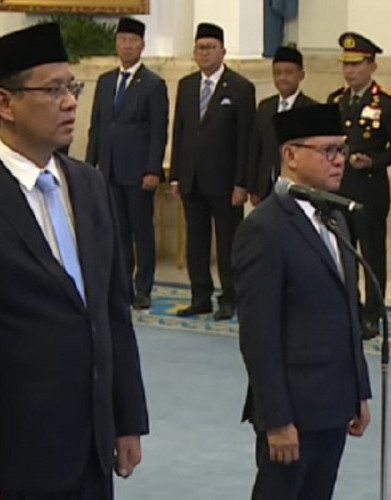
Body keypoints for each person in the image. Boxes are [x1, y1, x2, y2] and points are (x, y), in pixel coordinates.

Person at [0, 23, 148, 499]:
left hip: (92, 446)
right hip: (16, 450)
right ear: (5, 104)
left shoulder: (88, 185)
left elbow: (111, 309)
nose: (69, 103)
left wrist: (126, 418)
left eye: (73, 88)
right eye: (53, 90)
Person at [233, 104, 372, 499]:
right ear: (290, 154)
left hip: (334, 400)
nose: (339, 160)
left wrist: (359, 390)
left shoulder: (336, 217)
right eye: (327, 151)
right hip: (293, 409)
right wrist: (277, 419)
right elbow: (258, 336)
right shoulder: (265, 228)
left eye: (342, 150)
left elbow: (348, 312)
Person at [170, 22, 256, 320]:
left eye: (210, 47)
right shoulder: (187, 85)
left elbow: (246, 139)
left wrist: (242, 183)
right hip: (192, 178)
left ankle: (230, 297)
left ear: (223, 51)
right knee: (196, 242)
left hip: (225, 182)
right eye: (200, 48)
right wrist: (176, 176)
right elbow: (180, 132)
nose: (204, 53)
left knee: (228, 242)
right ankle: (200, 296)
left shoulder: (240, 88)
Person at [328, 32, 391, 339]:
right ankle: (350, 306)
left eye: (356, 65)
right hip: (338, 189)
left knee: (372, 255)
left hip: (370, 189)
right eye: (346, 65)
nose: (350, 71)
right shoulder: (336, 100)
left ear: (372, 66)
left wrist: (374, 160)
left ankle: (373, 313)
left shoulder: (387, 102)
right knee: (342, 252)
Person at [86, 17, 169, 310]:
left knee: (141, 232)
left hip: (138, 172)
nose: (127, 45)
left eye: (133, 41)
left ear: (142, 45)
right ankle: (122, 285)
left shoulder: (153, 84)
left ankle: (143, 287)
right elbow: (97, 126)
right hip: (109, 170)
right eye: (123, 40)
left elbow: (159, 131)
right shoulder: (106, 81)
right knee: (117, 231)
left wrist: (153, 169)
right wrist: (91, 166)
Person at [248, 45, 316, 206]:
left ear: (301, 75)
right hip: (266, 187)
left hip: (298, 187)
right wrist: (253, 187)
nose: (282, 78)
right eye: (277, 73)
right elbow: (255, 148)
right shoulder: (265, 107)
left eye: (288, 73)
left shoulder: (310, 109)